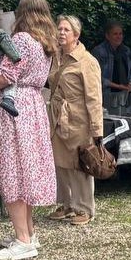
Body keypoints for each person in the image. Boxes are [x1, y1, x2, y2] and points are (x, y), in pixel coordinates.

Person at [0, 0, 60, 260]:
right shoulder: (47, 42)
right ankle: (28, 233)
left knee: (12, 170)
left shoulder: (21, 39)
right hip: (32, 105)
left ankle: (23, 240)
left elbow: (5, 76)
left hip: (12, 108)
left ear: (22, 13)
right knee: (25, 170)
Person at [47, 14, 104, 227]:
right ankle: (66, 203)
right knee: (60, 164)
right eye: (59, 29)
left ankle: (85, 208)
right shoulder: (56, 57)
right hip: (58, 119)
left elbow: (94, 97)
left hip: (79, 119)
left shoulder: (87, 62)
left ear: (76, 35)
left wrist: (97, 129)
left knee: (80, 164)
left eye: (66, 30)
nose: (61, 33)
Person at [91, 21, 131, 116]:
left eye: (120, 34)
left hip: (124, 95)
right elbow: (95, 77)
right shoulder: (98, 51)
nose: (119, 36)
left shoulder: (126, 51)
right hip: (106, 95)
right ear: (107, 36)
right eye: (115, 34)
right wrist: (118, 86)